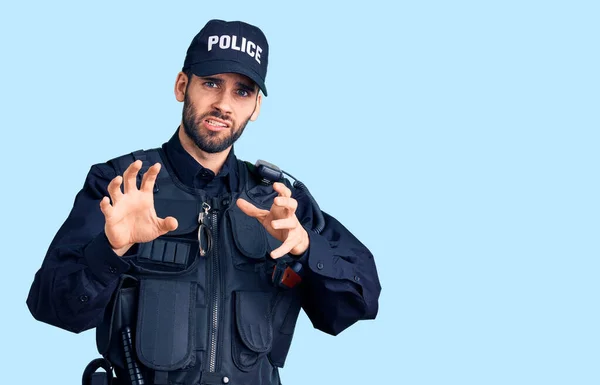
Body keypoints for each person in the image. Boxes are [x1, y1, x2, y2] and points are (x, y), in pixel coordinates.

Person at [27, 19, 381, 385]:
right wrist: (110, 251)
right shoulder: (121, 185)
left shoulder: (279, 201)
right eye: (211, 83)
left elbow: (359, 303)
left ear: (256, 106)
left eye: (242, 92)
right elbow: (50, 308)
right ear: (183, 86)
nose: (223, 104)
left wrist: (308, 249)